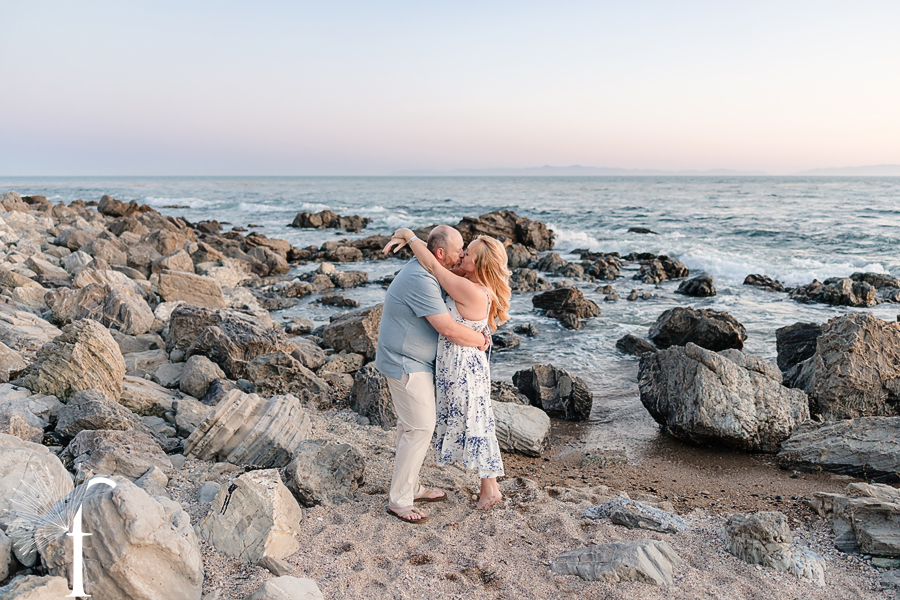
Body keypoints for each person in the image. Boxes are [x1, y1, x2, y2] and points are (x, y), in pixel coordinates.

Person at [385, 226, 511, 511]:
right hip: (458, 364)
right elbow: (433, 262)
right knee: (477, 421)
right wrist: (412, 240)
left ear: (478, 264)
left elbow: (433, 263)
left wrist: (409, 235)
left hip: (463, 367)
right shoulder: (464, 279)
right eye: (462, 250)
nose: (463, 254)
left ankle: (490, 488)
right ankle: (488, 487)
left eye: (468, 252)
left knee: (476, 423)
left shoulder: (468, 287)